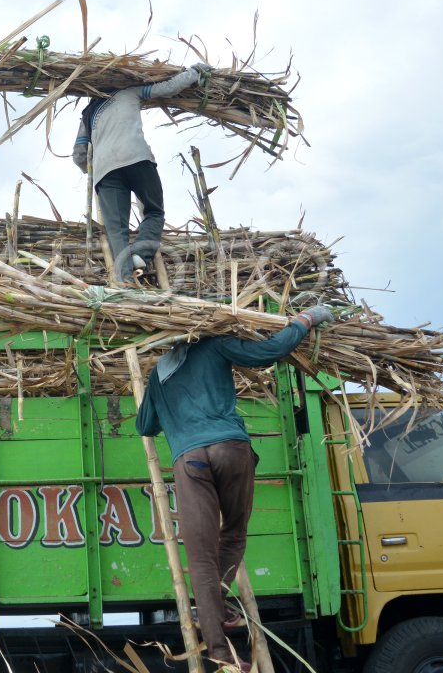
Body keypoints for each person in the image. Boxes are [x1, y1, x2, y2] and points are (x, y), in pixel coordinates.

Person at [136, 305, 335, 671]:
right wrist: (306, 319)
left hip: (189, 460)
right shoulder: (215, 345)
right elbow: (266, 353)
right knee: (234, 534)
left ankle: (220, 650)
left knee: (200, 557)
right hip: (231, 448)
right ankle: (223, 604)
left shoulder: (157, 376)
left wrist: (174, 410)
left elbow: (145, 426)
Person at [73, 63, 211, 282]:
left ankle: (124, 277)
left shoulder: (88, 115)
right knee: (154, 211)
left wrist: (94, 167)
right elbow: (169, 88)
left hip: (105, 172)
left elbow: (79, 155)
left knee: (116, 230)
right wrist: (194, 73)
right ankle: (141, 254)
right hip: (137, 158)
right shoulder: (131, 91)